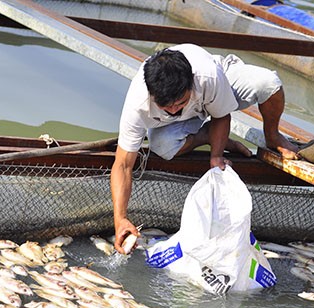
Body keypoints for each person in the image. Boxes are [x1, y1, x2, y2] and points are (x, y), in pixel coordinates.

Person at [110, 43, 298, 253]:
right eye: (166, 106)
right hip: (183, 118)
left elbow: (221, 115)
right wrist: (120, 218)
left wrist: (216, 157)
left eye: (179, 102)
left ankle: (272, 136)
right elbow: (123, 165)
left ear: (191, 85)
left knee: (269, 83)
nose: (173, 109)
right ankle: (208, 135)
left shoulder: (208, 76)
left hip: (219, 88)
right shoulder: (138, 103)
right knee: (162, 146)